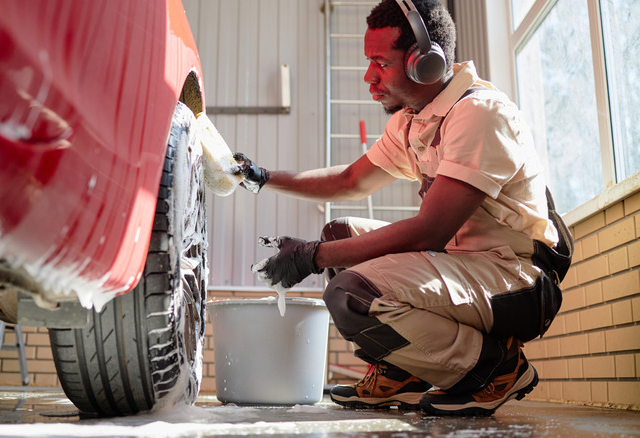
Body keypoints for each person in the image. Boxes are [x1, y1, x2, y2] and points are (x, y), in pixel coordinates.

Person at [231, 0, 572, 416]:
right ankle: (401, 375)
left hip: (515, 282)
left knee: (351, 293)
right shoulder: (415, 119)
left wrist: (312, 258)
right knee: (339, 232)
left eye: (380, 62)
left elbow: (429, 231)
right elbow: (350, 181)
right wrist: (264, 177)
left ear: (423, 63)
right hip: (466, 265)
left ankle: (493, 368)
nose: (368, 76)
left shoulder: (479, 114)